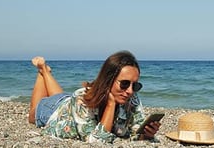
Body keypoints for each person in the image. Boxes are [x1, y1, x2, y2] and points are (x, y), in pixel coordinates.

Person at [28, 50, 161, 143]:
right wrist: (111, 104)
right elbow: (96, 141)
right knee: (33, 116)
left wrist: (146, 134)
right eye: (124, 84)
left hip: (70, 104)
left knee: (61, 96)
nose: (130, 91)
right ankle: (43, 71)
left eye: (135, 85)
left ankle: (46, 72)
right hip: (54, 109)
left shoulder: (132, 97)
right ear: (108, 79)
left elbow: (134, 131)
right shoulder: (81, 99)